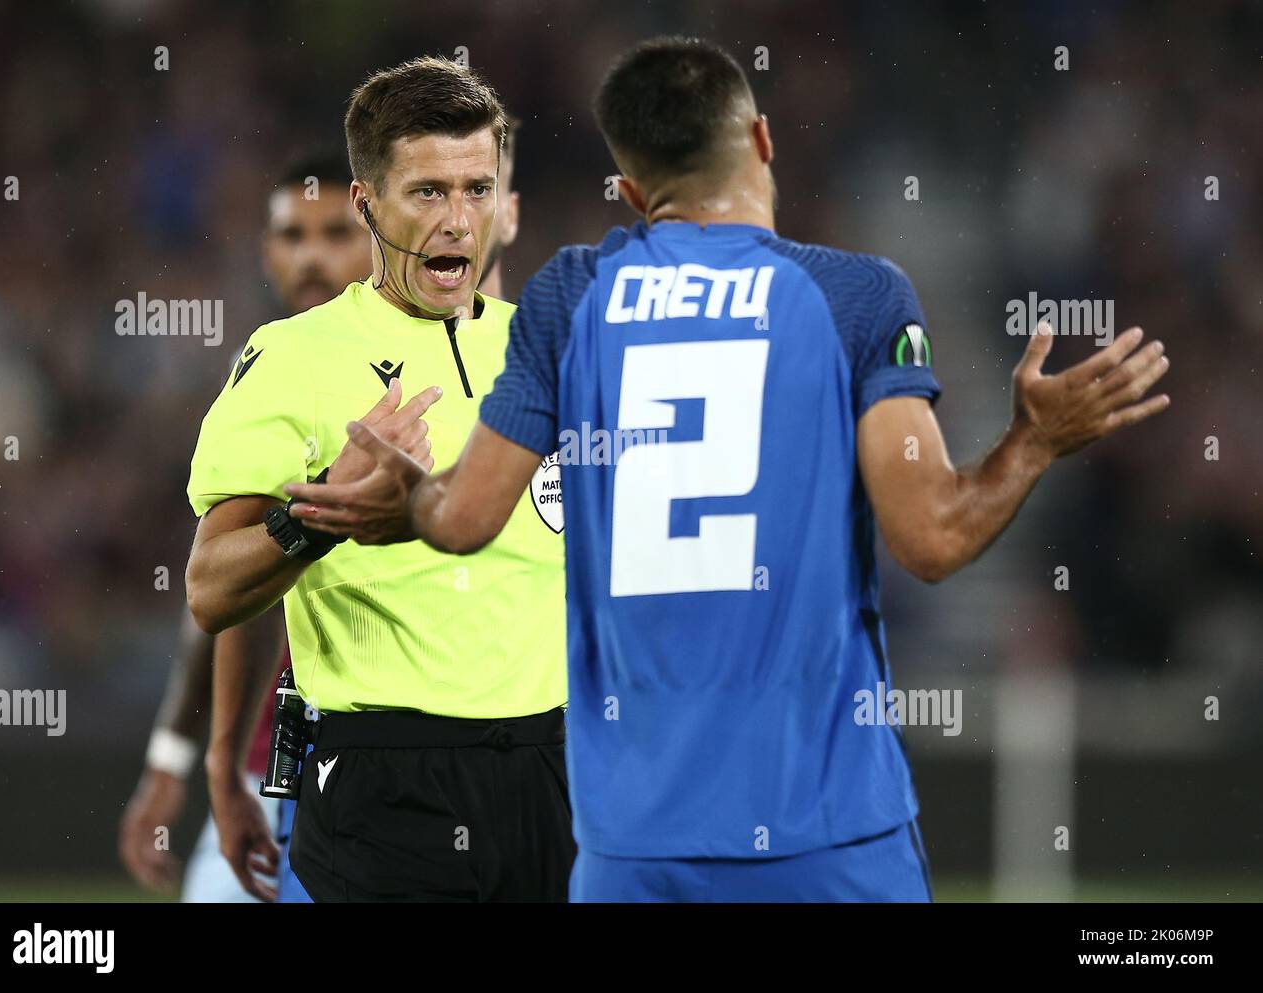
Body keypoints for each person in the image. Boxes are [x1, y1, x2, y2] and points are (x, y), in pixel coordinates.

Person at [282, 36, 1172, 903]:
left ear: (631, 191)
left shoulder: (567, 296)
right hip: (826, 833)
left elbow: (464, 520)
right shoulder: (856, 295)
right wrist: (1033, 442)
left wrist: (406, 493)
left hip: (635, 848)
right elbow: (934, 539)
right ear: (760, 140)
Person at [185, 58, 572, 903]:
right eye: (428, 193)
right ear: (366, 206)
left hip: (562, 774)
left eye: (476, 189)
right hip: (386, 783)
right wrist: (318, 513)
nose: (458, 221)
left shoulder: (550, 344)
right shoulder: (292, 358)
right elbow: (210, 591)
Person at [119, 153, 372, 902]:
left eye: (336, 231)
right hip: (272, 755)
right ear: (266, 250)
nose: (314, 255)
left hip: (383, 753)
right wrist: (180, 756)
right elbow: (223, 589)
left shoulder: (424, 362)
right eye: (293, 234)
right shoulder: (260, 370)